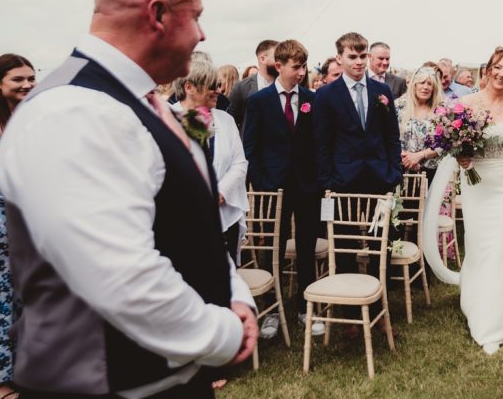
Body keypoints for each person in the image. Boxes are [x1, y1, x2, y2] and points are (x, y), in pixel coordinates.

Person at [0, 0, 256, 399]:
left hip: (171, 398)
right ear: (156, 14)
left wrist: (235, 295)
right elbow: (118, 273)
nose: (203, 35)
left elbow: (187, 224)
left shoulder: (141, 103)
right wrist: (223, 334)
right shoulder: (72, 111)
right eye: (196, 16)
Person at [421, 47, 503, 355]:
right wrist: (461, 154)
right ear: (488, 69)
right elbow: (447, 139)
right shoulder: (464, 104)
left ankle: (497, 322)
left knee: (502, 243)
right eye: (498, 67)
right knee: (480, 245)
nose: (502, 73)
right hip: (477, 184)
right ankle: (480, 303)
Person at [314, 32, 403, 333]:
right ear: (339, 58)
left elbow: (392, 135)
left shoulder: (382, 91)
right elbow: (322, 142)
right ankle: (350, 311)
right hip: (344, 181)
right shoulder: (326, 95)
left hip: (380, 178)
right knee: (347, 245)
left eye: (363, 55)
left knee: (383, 244)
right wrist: (329, 180)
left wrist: (394, 173)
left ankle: (380, 306)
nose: (359, 61)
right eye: (352, 56)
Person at [242, 39, 323, 338]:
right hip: (272, 186)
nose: (302, 72)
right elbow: (250, 147)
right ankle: (271, 311)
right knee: (272, 249)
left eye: (304, 66)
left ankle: (305, 307)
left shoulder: (312, 100)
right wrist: (263, 183)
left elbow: (318, 142)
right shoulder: (259, 101)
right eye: (296, 66)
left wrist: (317, 179)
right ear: (279, 66)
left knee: (306, 248)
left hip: (306, 186)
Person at [0, 54, 36, 399]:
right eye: (18, 79)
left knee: (19, 299)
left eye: (31, 78)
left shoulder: (27, 114)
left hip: (21, 217)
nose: (26, 85)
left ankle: (16, 371)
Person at [173, 54, 248, 265]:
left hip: (224, 210)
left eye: (219, 84)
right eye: (212, 85)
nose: (219, 90)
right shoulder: (169, 117)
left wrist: (220, 193)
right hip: (186, 212)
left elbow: (239, 163)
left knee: (227, 274)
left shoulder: (225, 120)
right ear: (189, 87)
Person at [398, 66, 444, 186]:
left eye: (430, 84)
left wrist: (419, 155)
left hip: (431, 173)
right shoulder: (398, 106)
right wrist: (407, 158)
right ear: (414, 84)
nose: (425, 87)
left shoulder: (441, 111)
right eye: (422, 82)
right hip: (401, 169)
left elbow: (445, 143)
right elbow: (387, 136)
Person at [227, 39, 278, 130]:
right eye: (277, 57)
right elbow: (231, 121)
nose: (281, 61)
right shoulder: (241, 87)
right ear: (262, 59)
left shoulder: (285, 85)